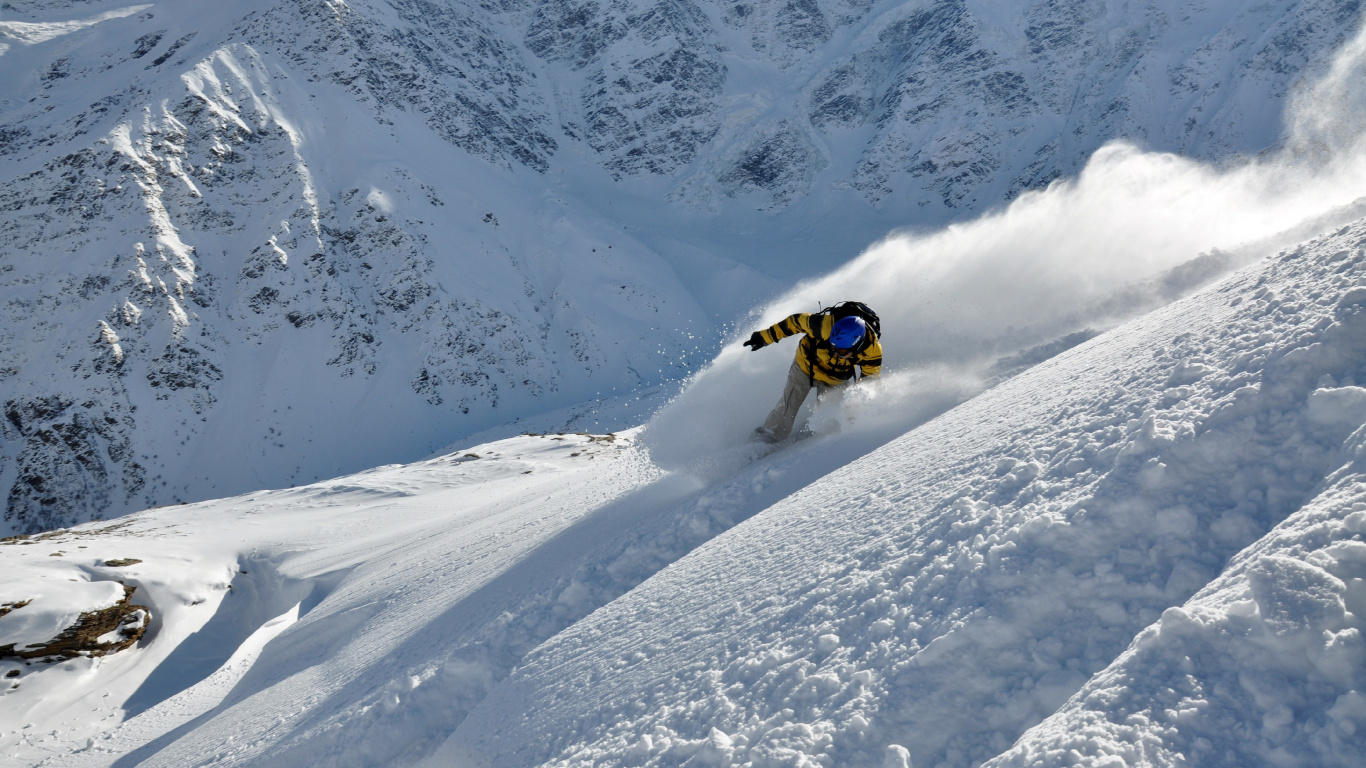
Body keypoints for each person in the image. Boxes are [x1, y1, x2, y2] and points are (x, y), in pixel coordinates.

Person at [743, 307, 882, 443]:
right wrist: (764, 337)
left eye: (841, 352)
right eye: (832, 346)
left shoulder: (872, 352)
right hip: (805, 367)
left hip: (835, 379)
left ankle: (812, 444)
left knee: (830, 421)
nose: (835, 353)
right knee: (786, 409)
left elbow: (869, 382)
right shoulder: (824, 325)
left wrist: (855, 405)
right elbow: (794, 322)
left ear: (856, 346)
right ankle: (764, 440)